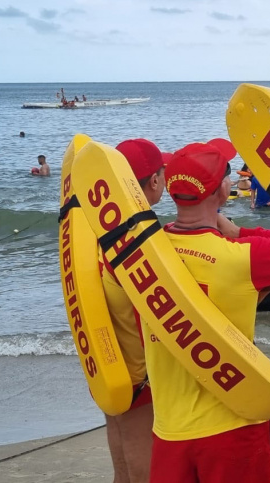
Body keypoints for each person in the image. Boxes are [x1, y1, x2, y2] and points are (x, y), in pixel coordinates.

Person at [147, 139, 270, 482]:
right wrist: (242, 231)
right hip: (235, 424)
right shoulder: (243, 256)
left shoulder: (142, 255)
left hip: (169, 431)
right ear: (223, 190)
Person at [97, 138, 173, 483]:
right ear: (154, 181)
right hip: (139, 374)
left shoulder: (99, 228)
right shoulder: (140, 238)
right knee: (145, 468)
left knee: (122, 464)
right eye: (162, 173)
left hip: (105, 362)